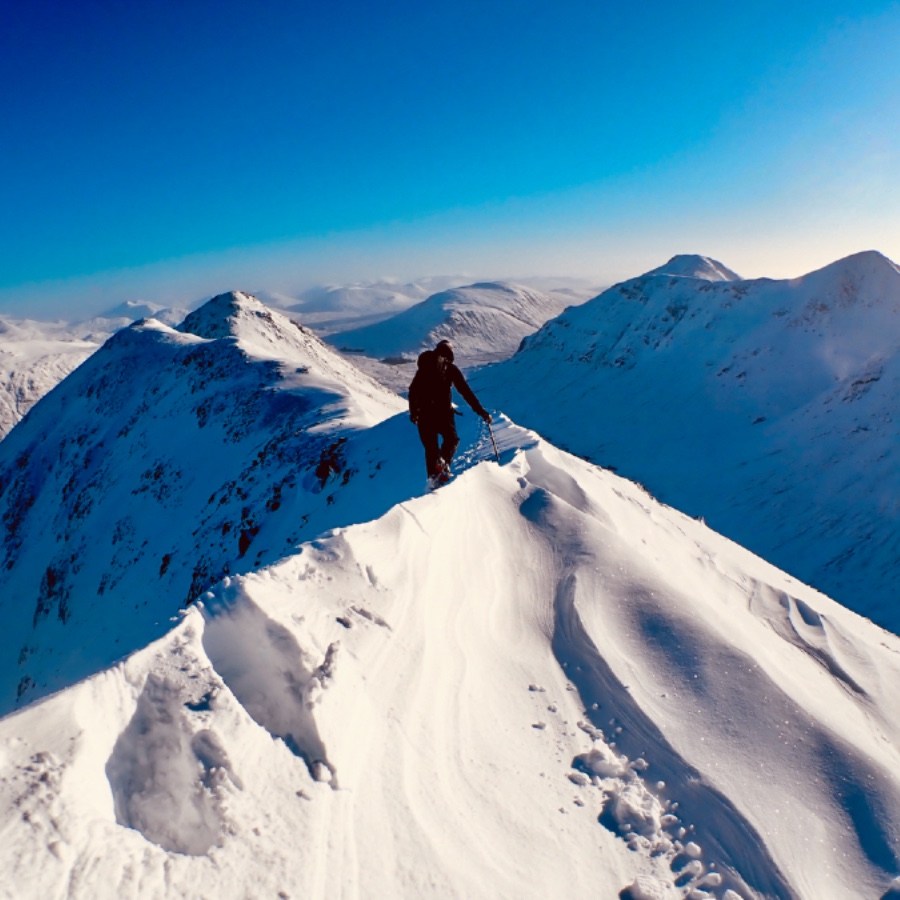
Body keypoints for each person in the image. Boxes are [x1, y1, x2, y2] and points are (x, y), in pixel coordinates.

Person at [408, 339, 492, 484]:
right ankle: (443, 464)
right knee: (451, 440)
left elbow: (412, 391)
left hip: (424, 415)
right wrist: (481, 412)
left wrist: (414, 412)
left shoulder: (422, 369)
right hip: (443, 414)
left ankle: (432, 481)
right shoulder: (450, 369)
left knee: (431, 450)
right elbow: (466, 392)